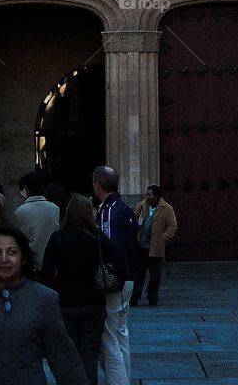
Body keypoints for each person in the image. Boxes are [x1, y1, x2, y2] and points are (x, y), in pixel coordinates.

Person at [0, 224, 86, 385]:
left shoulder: (44, 299)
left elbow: (63, 358)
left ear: (23, 258)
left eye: (12, 252)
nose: (4, 259)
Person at [39, 193, 122, 385]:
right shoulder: (98, 238)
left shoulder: (58, 238)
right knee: (89, 357)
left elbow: (47, 274)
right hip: (94, 303)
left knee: (68, 357)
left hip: (66, 304)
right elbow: (117, 262)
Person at [92, 165, 138, 385]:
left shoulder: (109, 211)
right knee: (120, 334)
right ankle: (124, 378)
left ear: (97, 185)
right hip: (128, 278)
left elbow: (110, 248)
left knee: (109, 338)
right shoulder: (125, 209)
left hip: (116, 280)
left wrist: (114, 275)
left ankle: (118, 382)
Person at [130, 184, 177, 308]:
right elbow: (133, 220)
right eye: (146, 194)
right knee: (138, 274)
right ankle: (134, 297)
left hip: (155, 248)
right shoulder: (141, 206)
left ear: (156, 196)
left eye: (149, 194)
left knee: (155, 276)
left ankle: (152, 297)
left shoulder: (167, 209)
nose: (147, 197)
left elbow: (172, 226)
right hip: (141, 247)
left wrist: (163, 239)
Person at [12, 171, 59, 269]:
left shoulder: (20, 212)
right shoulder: (54, 209)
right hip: (51, 262)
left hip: (30, 264)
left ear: (26, 189)